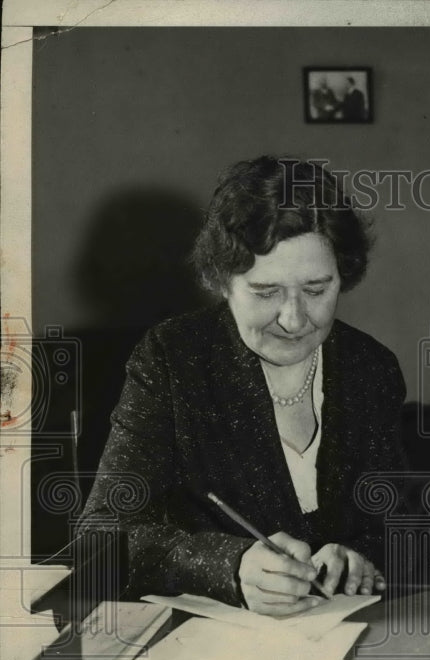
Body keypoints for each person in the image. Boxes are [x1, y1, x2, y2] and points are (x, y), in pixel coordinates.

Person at [80, 156, 407, 615]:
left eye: (316, 290)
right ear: (222, 280)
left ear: (343, 275)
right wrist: (229, 565)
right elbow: (99, 539)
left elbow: (396, 529)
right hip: (210, 650)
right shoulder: (173, 359)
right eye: (266, 292)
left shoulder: (370, 369)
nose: (294, 320)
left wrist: (361, 560)